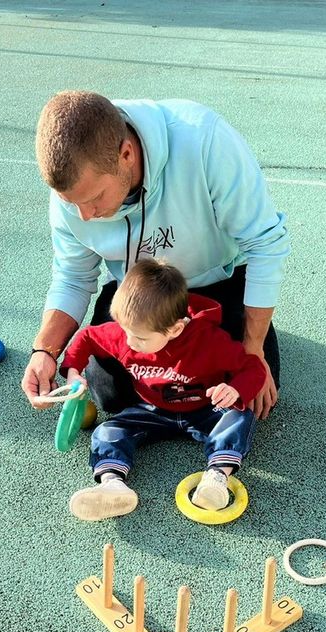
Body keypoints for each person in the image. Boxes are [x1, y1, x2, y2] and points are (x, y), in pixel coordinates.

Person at [21, 91, 289, 420]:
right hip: (137, 294)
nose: (85, 216)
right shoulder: (75, 193)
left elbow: (265, 244)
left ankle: (239, 336)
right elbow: (73, 277)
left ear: (127, 154)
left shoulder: (206, 140)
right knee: (108, 392)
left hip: (216, 282)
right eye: (71, 203)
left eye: (95, 198)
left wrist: (253, 348)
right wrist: (45, 351)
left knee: (249, 385)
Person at [59, 259, 267, 521]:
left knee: (238, 416)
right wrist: (72, 371)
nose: (130, 343)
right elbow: (87, 337)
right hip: (151, 409)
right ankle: (112, 484)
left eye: (141, 338)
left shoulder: (209, 341)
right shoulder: (127, 334)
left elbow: (253, 368)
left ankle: (216, 477)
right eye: (125, 332)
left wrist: (235, 390)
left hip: (203, 409)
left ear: (175, 328)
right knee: (107, 430)